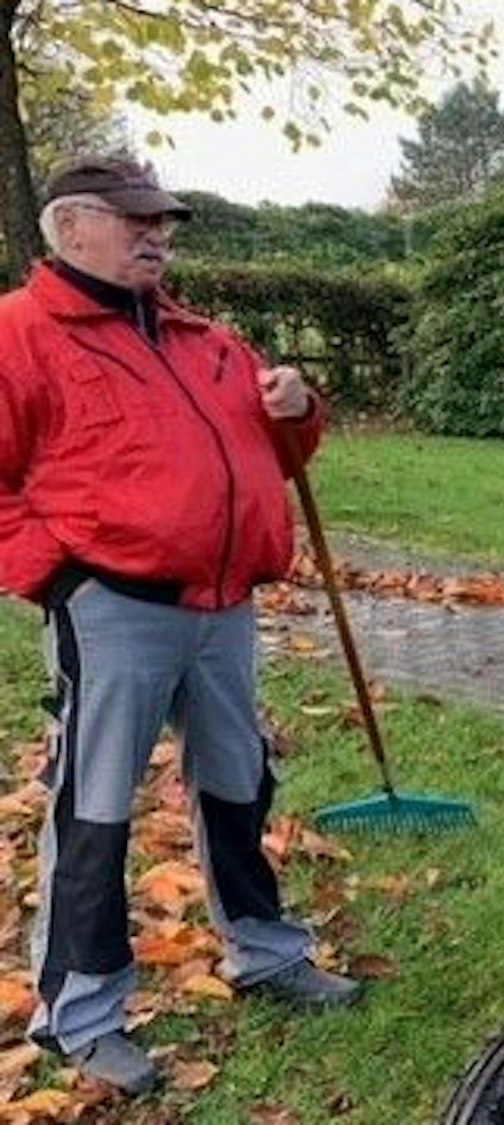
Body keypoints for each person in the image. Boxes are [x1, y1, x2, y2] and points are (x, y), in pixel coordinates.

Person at [0, 156, 360, 1096]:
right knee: (95, 805)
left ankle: (266, 950)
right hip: (114, 607)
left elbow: (279, 452)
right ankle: (80, 1011)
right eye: (135, 220)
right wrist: (61, 578)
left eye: (162, 220)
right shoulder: (19, 333)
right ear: (70, 227)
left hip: (223, 605)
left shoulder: (206, 338)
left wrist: (299, 410)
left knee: (239, 780)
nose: (157, 234)